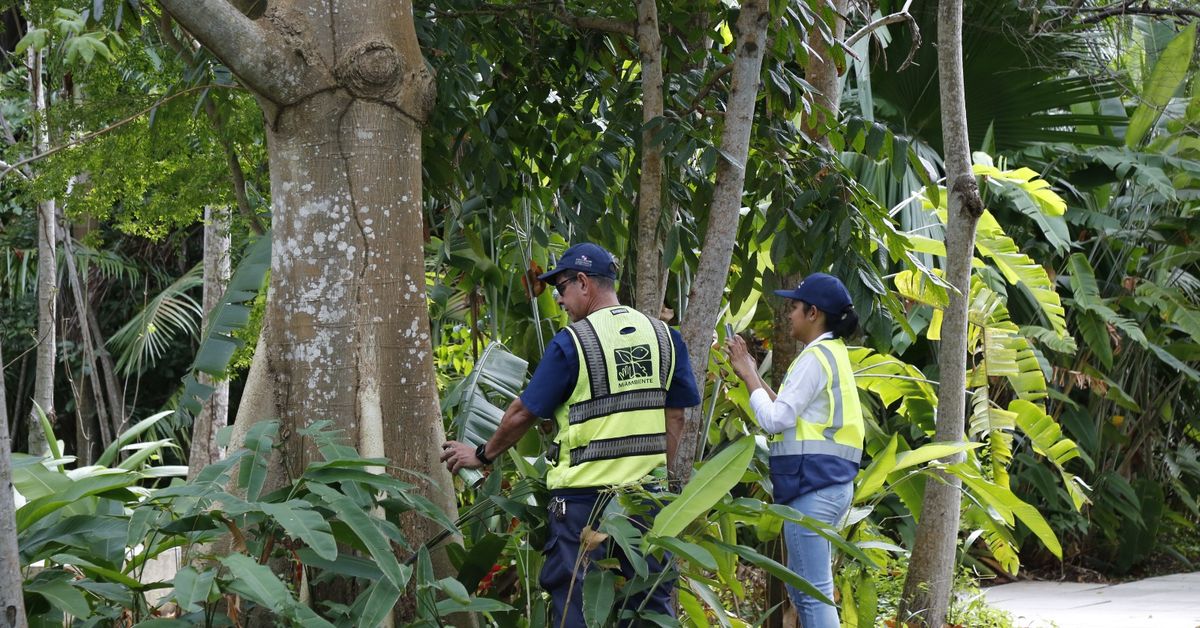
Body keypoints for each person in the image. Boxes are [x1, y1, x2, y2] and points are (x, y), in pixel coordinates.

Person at [441, 242, 701, 627]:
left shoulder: (575, 341)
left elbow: (523, 412)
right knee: (648, 606)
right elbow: (675, 416)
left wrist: (482, 455)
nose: (559, 300)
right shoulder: (664, 337)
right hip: (646, 501)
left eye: (561, 288)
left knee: (573, 608)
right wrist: (656, 476)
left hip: (583, 505)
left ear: (583, 282)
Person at [724, 272, 864, 628]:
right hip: (826, 486)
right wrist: (751, 373)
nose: (789, 314)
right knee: (805, 592)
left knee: (813, 594)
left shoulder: (816, 357)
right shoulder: (831, 353)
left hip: (813, 490)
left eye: (795, 307)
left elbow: (775, 419)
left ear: (813, 313)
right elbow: (789, 414)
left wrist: (748, 373)